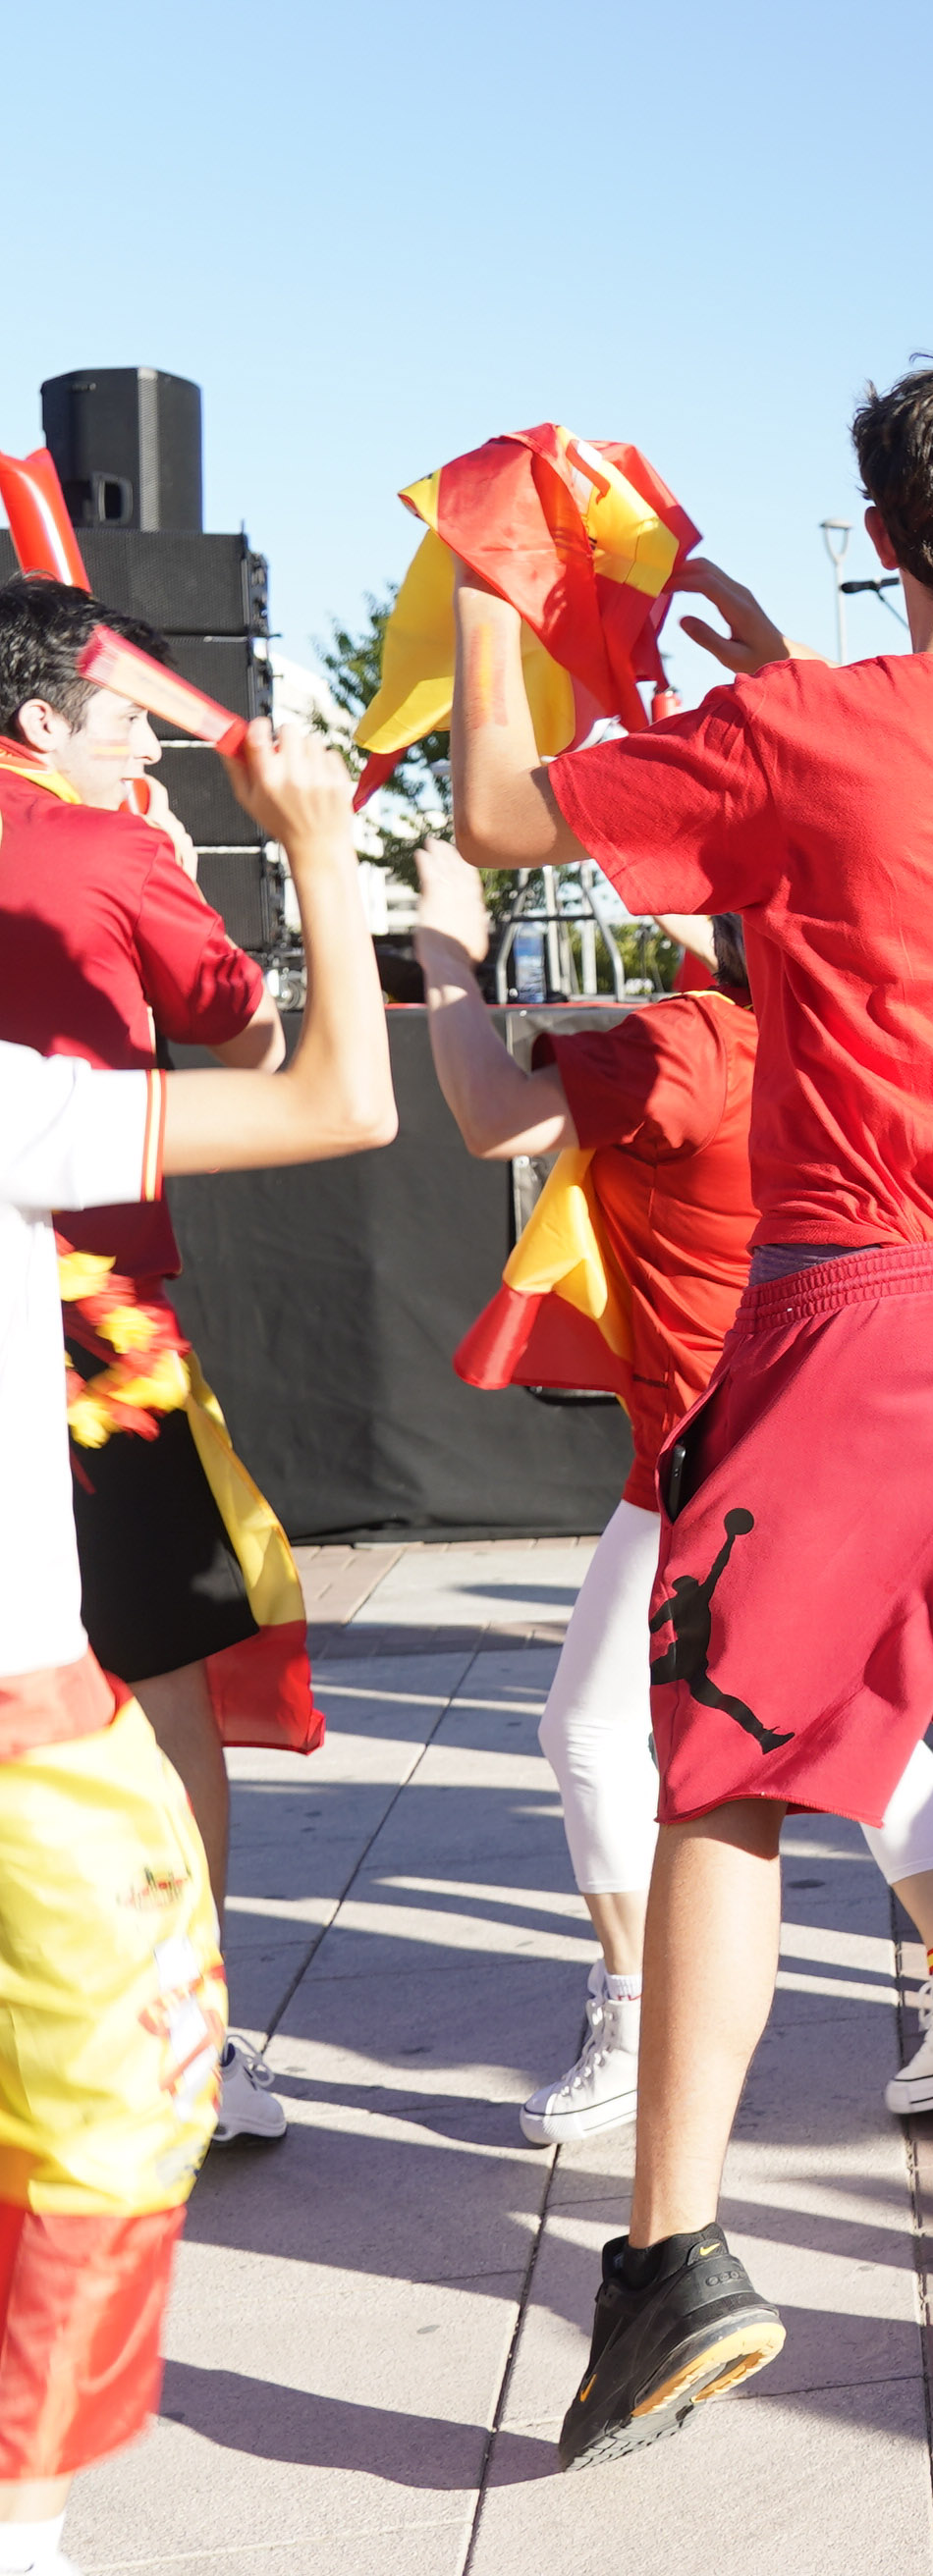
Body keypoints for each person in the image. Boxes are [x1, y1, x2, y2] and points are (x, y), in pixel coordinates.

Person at [447, 361, 933, 2469]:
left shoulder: (807, 729)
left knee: (719, 1779)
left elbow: (504, 813)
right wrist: (781, 679)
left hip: (857, 1313)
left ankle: (674, 2256)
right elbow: (927, 781)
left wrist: (486, 591)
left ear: (882, 538)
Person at [407, 841, 933, 2142]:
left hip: (717, 1458)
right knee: (854, 1716)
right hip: (856, 1431)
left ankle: (637, 2020)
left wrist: (447, 948)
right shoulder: (874, 1047)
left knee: (591, 1729)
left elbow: (491, 1117)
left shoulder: (699, 1040)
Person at [0, 716, 393, 2576]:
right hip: (86, 1392)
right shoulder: (77, 928)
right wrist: (309, 841)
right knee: (110, 2090)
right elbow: (320, 1085)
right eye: (108, 713)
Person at [0, 577, 313, 2149]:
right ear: (41, 721)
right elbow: (263, 1048)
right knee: (157, 1665)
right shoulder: (106, 849)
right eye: (129, 722)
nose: (150, 751)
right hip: (84, 1320)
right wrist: (182, 878)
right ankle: (193, 2043)